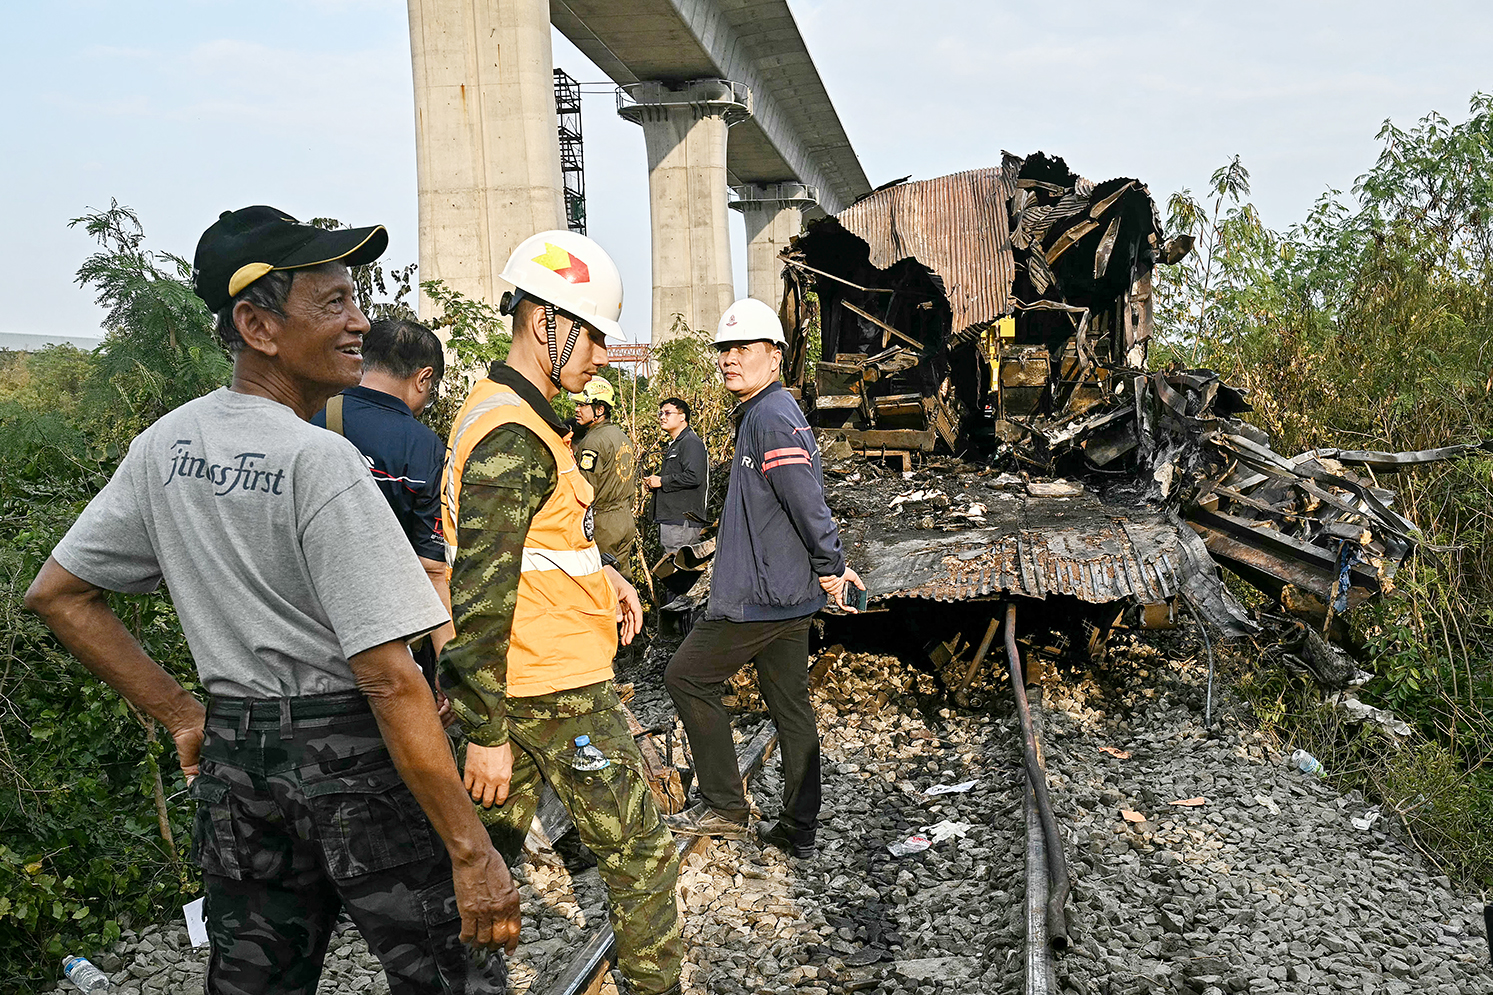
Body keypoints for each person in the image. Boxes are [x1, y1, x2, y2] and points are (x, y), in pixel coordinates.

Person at [23, 206, 519, 995]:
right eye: (332, 304)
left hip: (238, 768)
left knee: (255, 982)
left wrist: (186, 714)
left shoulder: (166, 445)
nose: (360, 322)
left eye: (353, 299)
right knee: (450, 975)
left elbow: (60, 594)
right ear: (257, 325)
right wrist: (471, 848)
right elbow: (389, 679)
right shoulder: (321, 461)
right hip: (352, 756)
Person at [439, 229, 682, 995]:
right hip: (553, 689)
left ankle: (462, 984)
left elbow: (538, 547)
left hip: (528, 679)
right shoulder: (512, 433)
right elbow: (479, 595)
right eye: (595, 334)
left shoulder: (519, 416)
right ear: (547, 320)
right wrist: (483, 733)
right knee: (639, 854)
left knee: (484, 860)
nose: (602, 355)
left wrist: (601, 572)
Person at [663, 297, 863, 860]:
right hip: (785, 593)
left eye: (743, 349)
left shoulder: (771, 417)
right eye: (724, 349)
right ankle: (799, 826)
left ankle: (725, 805)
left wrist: (830, 566)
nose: (730, 359)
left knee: (686, 677)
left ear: (774, 357)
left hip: (762, 596)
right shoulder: (764, 413)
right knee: (791, 706)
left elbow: (806, 499)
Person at [312, 318, 454, 686]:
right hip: (391, 640)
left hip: (308, 632)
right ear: (423, 379)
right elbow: (432, 569)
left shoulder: (311, 415)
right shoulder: (423, 446)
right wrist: (448, 670)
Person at [571, 377, 637, 574]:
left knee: (601, 582)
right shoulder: (621, 436)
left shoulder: (592, 441)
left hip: (604, 523)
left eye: (583, 405)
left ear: (599, 410)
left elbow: (585, 489)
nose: (577, 410)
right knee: (623, 582)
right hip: (625, 519)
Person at [643, 397, 708, 554]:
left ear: (682, 417)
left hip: (682, 522)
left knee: (677, 569)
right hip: (673, 520)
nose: (662, 417)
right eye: (660, 413)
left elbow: (694, 476)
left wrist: (662, 481)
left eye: (667, 413)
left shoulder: (690, 442)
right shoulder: (677, 443)